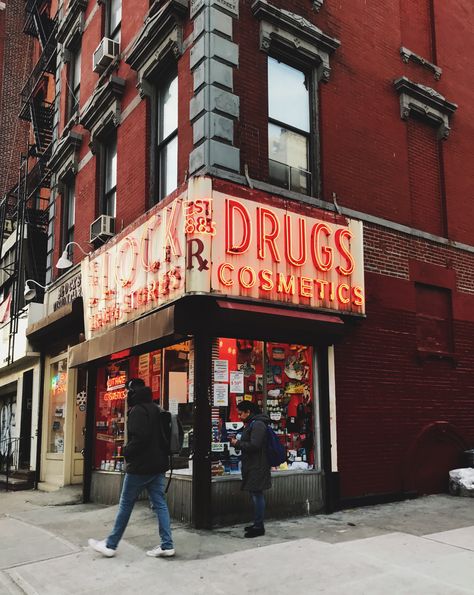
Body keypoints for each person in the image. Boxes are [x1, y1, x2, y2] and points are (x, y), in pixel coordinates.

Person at [88, 378, 175, 558]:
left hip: (140, 467)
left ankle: (110, 545)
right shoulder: (156, 409)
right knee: (160, 504)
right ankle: (167, 545)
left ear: (131, 393)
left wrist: (126, 451)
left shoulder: (137, 411)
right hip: (158, 465)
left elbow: (140, 439)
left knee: (126, 504)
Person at [230, 400, 271, 538]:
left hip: (257, 466)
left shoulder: (258, 424)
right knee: (255, 494)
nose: (239, 417)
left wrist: (238, 443)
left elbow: (255, 445)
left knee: (257, 495)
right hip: (253, 465)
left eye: (241, 413)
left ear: (248, 412)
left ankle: (259, 527)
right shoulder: (253, 423)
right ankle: (257, 523)